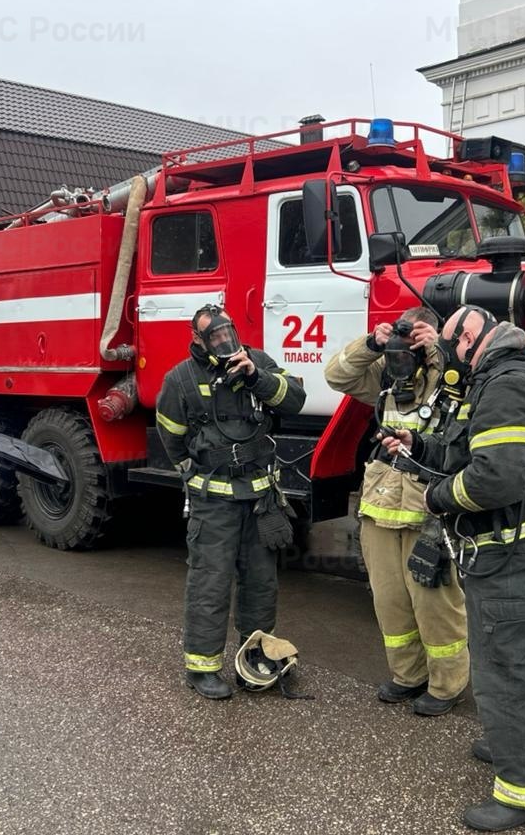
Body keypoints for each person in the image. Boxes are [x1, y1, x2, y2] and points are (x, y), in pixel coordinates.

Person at [382, 305, 525, 832]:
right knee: (497, 661)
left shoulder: (505, 384)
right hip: (504, 550)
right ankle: (510, 741)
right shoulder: (500, 376)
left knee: (511, 669)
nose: (450, 357)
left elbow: (494, 481)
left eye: (451, 345)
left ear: (469, 337)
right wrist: (418, 447)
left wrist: (437, 499)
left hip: (512, 551)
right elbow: (466, 452)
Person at [155, 305, 306, 699]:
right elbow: (171, 436)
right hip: (213, 502)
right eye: (215, 336)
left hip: (260, 498)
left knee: (261, 582)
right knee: (211, 582)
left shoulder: (256, 362)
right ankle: (201, 667)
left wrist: (256, 377)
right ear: (198, 341)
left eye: (228, 333)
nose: (224, 341)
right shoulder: (181, 378)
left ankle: (254, 657)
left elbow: (295, 400)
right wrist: (196, 471)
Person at [324, 307, 469, 716]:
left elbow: (470, 381)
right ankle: (408, 676)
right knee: (390, 601)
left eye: (409, 348)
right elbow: (338, 375)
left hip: (429, 511)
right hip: (380, 508)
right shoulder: (386, 379)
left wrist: (439, 349)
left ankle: (446, 684)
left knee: (436, 605)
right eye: (395, 349)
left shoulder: (450, 379)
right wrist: (372, 344)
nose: (401, 357)